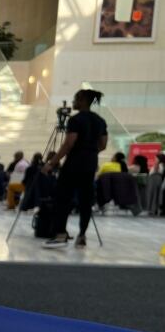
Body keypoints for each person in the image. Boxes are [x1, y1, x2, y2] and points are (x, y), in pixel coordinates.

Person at [42, 89, 108, 249]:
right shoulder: (100, 120)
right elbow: (103, 145)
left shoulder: (76, 120)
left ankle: (60, 234)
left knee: (62, 198)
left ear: (83, 100)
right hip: (90, 164)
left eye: (75, 99)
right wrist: (90, 152)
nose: (73, 102)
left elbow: (69, 143)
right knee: (86, 201)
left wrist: (52, 163)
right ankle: (82, 236)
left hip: (74, 164)